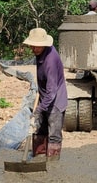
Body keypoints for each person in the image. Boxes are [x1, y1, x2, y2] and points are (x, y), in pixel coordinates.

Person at [23, 27, 68, 161]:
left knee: (53, 134)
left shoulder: (50, 61)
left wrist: (39, 110)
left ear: (44, 45)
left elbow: (52, 91)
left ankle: (53, 165)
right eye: (32, 46)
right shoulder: (39, 53)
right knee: (39, 130)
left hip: (55, 100)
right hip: (44, 96)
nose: (34, 49)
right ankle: (38, 158)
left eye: (37, 47)